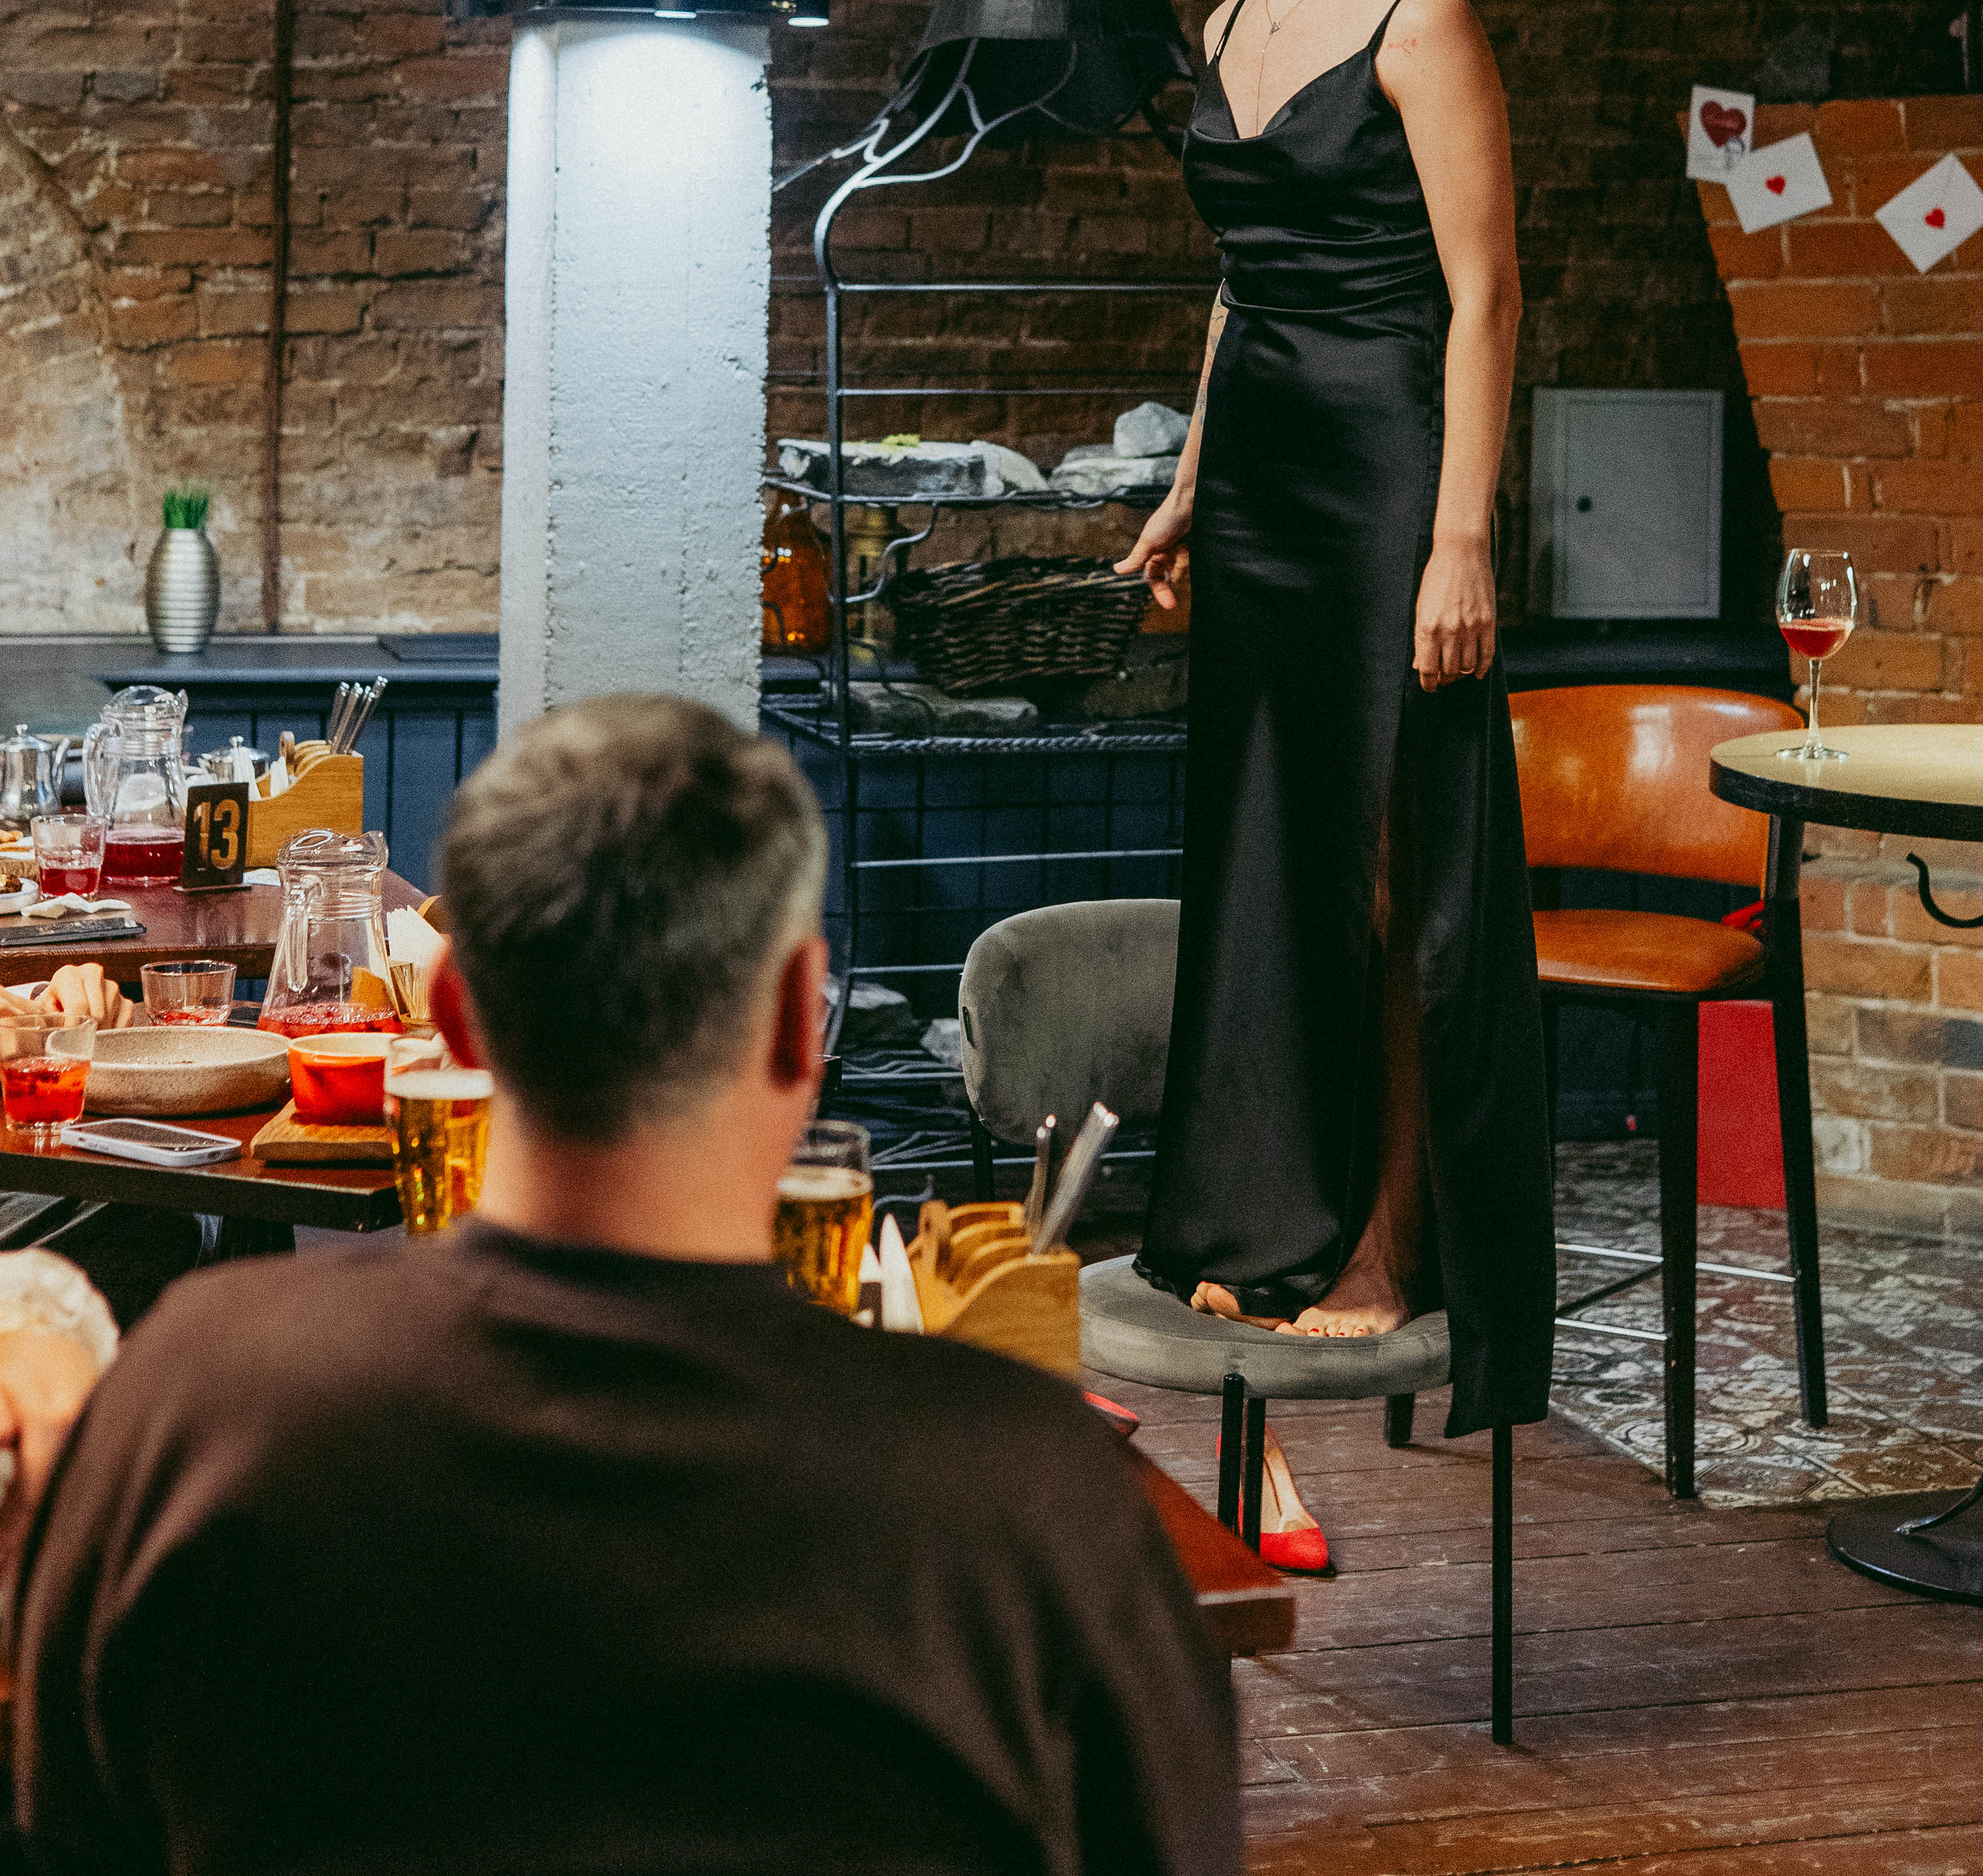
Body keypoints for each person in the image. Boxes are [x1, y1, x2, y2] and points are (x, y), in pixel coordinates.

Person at [13, 696, 1243, 1876]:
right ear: (796, 1019)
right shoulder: (1029, 1490)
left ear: (453, 1018)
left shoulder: (200, 1399)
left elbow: (70, 1829)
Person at [1116, 0, 1554, 1447]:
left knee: (1387, 874)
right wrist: (1184, 482)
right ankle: (1266, 1220)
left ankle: (1389, 1243)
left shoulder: (1418, 11)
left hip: (1387, 476)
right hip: (1260, 484)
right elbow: (1241, 284)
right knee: (1272, 859)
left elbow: (1485, 295)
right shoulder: (1227, 20)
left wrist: (1460, 537)